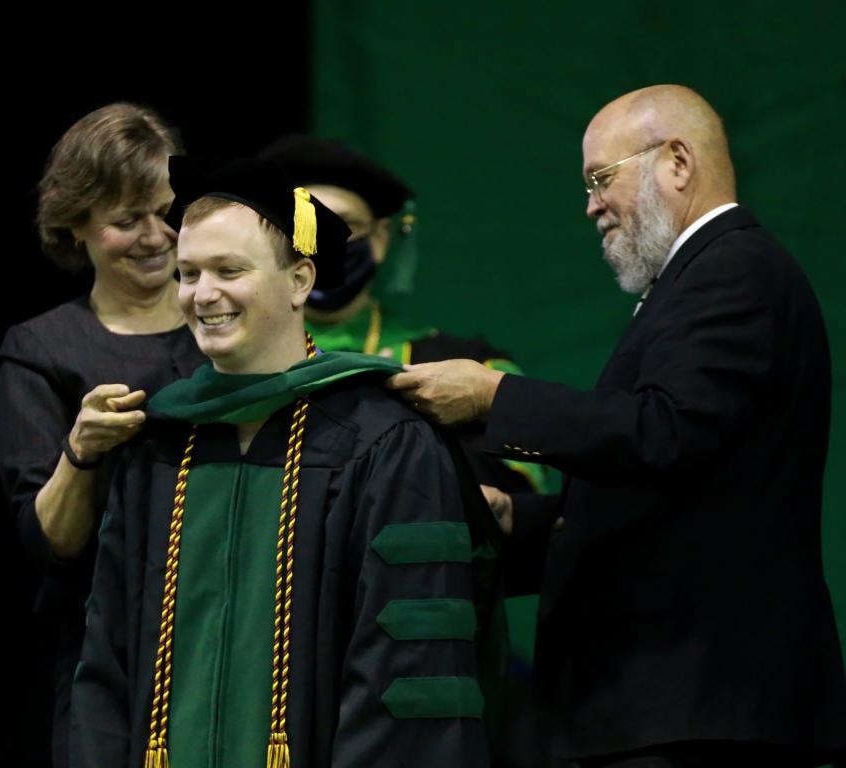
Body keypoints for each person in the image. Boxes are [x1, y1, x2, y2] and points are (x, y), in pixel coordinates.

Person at [387, 85, 846, 767]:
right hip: (672, 710)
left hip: (700, 712)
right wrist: (522, 518)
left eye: (602, 178)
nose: (591, 205)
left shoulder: (732, 269)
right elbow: (677, 497)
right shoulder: (701, 279)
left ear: (678, 162)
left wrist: (495, 398)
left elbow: (663, 430)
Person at [69, 157, 503, 768]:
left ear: (300, 281)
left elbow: (406, 671)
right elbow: (106, 661)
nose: (203, 293)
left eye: (229, 270)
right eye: (188, 273)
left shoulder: (384, 442)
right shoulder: (157, 443)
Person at [0, 103, 205, 767]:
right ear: (76, 226)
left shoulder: (232, 329)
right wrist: (80, 452)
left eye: (167, 212)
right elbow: (50, 544)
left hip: (236, 631)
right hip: (106, 653)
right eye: (126, 220)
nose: (155, 235)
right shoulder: (42, 350)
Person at [258, 134, 547, 522]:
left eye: (342, 225)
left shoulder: (468, 368)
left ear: (379, 240)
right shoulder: (232, 360)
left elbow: (515, 498)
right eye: (304, 224)